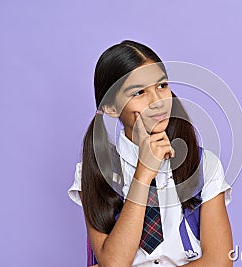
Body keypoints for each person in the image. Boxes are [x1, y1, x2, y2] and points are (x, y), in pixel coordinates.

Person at [68, 40, 233, 266]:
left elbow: (219, 261)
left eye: (162, 85)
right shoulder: (96, 172)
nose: (157, 101)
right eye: (138, 92)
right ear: (111, 107)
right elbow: (114, 263)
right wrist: (143, 174)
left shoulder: (204, 165)